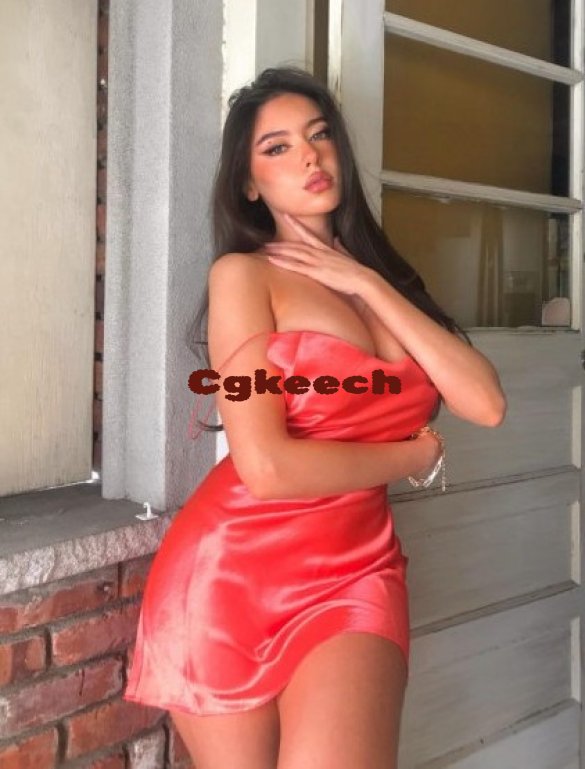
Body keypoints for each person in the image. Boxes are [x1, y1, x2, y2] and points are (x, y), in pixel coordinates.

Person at [124, 66, 506, 769]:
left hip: (358, 570)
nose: (307, 155)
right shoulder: (243, 277)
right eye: (276, 147)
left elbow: (485, 403)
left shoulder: (386, 281)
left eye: (319, 135)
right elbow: (266, 468)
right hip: (230, 574)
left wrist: (365, 281)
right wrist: (414, 457)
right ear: (248, 183)